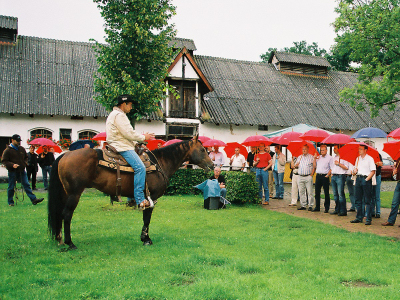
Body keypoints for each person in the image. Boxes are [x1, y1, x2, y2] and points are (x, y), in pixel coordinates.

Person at [106, 94, 155, 210]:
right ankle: (140, 200)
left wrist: (138, 144)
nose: (131, 107)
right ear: (124, 104)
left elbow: (124, 135)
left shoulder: (114, 114)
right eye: (130, 105)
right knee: (140, 168)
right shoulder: (119, 116)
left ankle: (130, 198)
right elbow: (128, 133)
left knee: (133, 169)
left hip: (121, 144)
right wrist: (144, 137)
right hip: (121, 147)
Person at [1, 134, 44, 206]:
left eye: (19, 141)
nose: (19, 142)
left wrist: (25, 163)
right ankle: (10, 202)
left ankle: (34, 199)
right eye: (17, 141)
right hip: (12, 171)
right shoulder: (7, 150)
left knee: (27, 185)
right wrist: (12, 165)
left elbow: (26, 157)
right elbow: (4, 161)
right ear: (12, 140)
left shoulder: (21, 149)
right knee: (11, 186)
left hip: (21, 170)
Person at [350, 145, 376, 225]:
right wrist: (354, 171)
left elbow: (373, 171)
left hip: (365, 179)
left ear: (365, 150)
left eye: (361, 149)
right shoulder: (358, 159)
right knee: (358, 199)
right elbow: (354, 171)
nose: (359, 150)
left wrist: (366, 179)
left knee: (367, 200)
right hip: (358, 178)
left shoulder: (370, 159)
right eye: (359, 149)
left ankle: (368, 218)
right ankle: (359, 217)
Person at [295, 145, 316, 211]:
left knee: (310, 192)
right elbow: (295, 166)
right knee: (301, 192)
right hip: (300, 176)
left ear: (308, 150)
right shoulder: (299, 157)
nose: (304, 150)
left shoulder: (311, 157)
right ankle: (303, 205)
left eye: (305, 149)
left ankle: (310, 205)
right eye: (303, 149)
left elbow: (314, 167)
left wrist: (311, 175)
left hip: (308, 176)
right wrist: (296, 165)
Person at [330, 145, 349, 216]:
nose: (333, 150)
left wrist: (339, 164)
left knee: (341, 194)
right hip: (334, 176)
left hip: (340, 176)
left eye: (335, 148)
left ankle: (343, 210)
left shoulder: (344, 157)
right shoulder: (334, 157)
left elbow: (346, 167)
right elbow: (332, 167)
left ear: (339, 149)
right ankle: (337, 209)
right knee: (335, 194)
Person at [313, 144, 332, 212]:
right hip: (318, 175)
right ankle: (317, 207)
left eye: (323, 150)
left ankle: (326, 207)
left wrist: (328, 175)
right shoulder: (318, 157)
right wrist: (314, 159)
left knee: (326, 192)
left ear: (326, 150)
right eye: (321, 150)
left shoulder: (330, 158)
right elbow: (314, 166)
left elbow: (331, 168)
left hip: (325, 176)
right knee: (317, 192)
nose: (322, 151)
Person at [382, 157, 400, 226]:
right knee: (394, 203)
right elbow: (394, 174)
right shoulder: (398, 159)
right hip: (398, 183)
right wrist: (394, 172)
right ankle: (391, 220)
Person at [371, 154, 383, 218]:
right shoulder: (368, 156)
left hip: (377, 176)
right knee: (372, 195)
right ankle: (372, 211)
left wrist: (376, 163)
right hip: (371, 176)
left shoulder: (378, 155)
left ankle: (378, 212)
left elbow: (381, 164)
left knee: (377, 195)